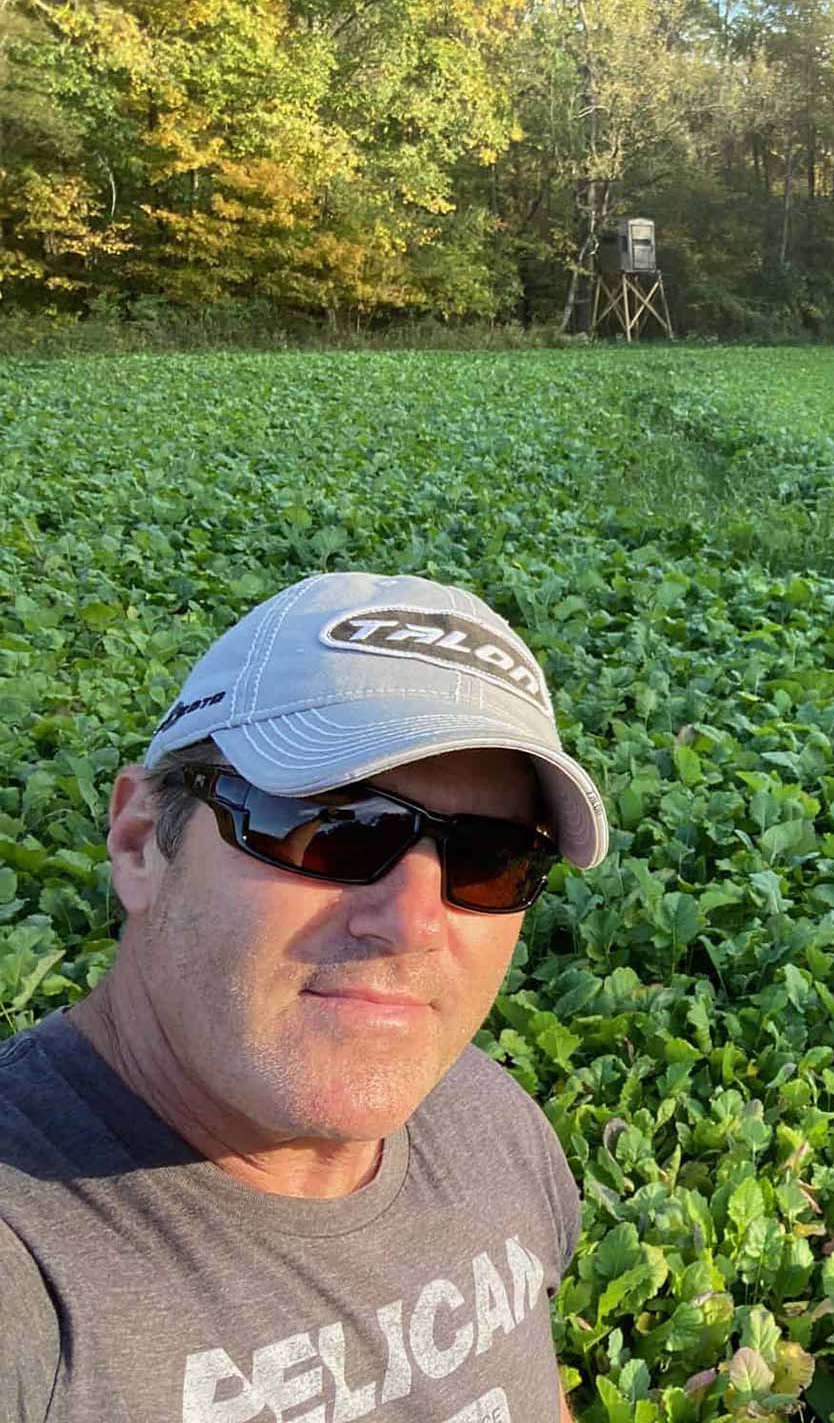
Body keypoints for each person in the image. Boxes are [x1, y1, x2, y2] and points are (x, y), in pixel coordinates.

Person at [0, 572, 610, 1423]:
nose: (412, 921)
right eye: (331, 826)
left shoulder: (489, 1125)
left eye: (490, 857)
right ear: (142, 841)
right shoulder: (27, 1271)